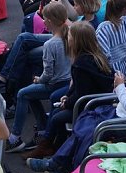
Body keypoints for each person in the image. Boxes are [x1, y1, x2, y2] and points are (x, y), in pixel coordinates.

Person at [26, 45, 126, 173]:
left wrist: (120, 87)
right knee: (84, 123)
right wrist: (119, 87)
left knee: (88, 132)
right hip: (119, 116)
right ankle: (59, 163)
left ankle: (65, 167)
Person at [23, 22, 114, 160]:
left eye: (70, 36)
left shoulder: (82, 64)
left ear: (77, 40)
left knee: (57, 117)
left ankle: (50, 147)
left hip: (93, 106)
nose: (67, 38)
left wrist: (68, 102)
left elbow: (83, 93)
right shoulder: (96, 55)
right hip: (100, 101)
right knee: (56, 109)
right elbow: (78, 87)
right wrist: (67, 96)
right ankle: (52, 146)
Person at [6, 2, 72, 152]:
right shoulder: (70, 36)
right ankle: (42, 128)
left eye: (45, 18)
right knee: (30, 94)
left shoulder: (50, 44)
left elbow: (48, 73)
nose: (42, 21)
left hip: (55, 84)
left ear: (50, 21)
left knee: (23, 93)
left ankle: (15, 137)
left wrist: (39, 79)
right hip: (67, 82)